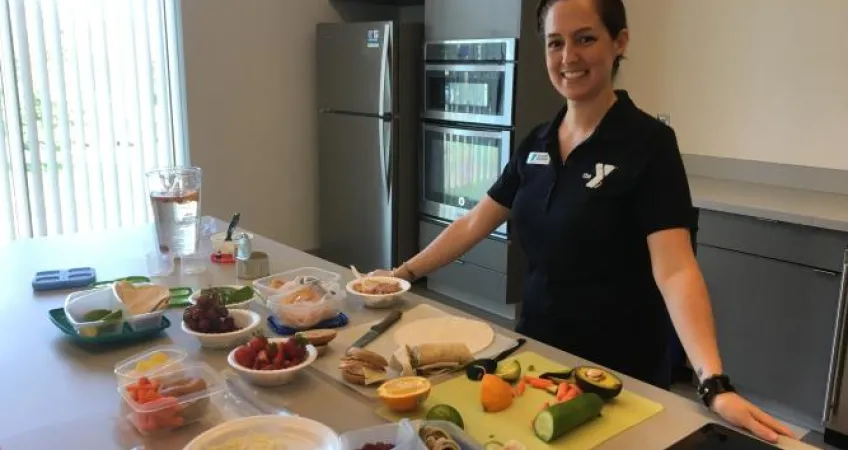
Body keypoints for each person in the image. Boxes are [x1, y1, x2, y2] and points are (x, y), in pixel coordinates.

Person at [372, 0, 793, 443]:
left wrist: (714, 384)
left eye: (585, 38)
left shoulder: (649, 144)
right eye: (556, 43)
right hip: (537, 359)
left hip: (619, 378)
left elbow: (676, 269)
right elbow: (476, 220)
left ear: (620, 43)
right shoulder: (536, 140)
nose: (568, 57)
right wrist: (400, 276)